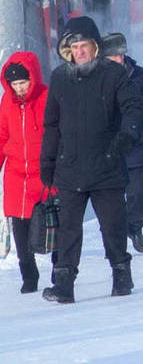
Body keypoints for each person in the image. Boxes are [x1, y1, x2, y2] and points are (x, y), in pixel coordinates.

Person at [40, 16, 143, 303]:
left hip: (107, 166)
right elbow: (51, 125)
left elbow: (135, 108)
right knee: (68, 230)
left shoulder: (114, 74)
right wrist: (47, 163)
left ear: (95, 46)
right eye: (73, 48)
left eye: (84, 45)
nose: (79, 52)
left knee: (113, 226)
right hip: (70, 167)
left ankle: (121, 274)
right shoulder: (60, 78)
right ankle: (64, 283)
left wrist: (124, 139)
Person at [101, 33, 143, 253]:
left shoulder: (138, 74)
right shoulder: (96, 77)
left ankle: (134, 228)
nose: (118, 60)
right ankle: (114, 237)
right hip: (108, 147)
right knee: (111, 198)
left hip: (135, 143)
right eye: (112, 56)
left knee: (137, 192)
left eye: (120, 55)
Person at [0, 52, 53, 293]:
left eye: (24, 83)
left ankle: (59, 268)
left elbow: (56, 132)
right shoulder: (6, 102)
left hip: (44, 172)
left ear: (33, 78)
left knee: (52, 224)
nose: (20, 89)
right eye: (15, 84)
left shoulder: (46, 97)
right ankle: (28, 275)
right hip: (16, 174)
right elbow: (2, 135)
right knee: (20, 229)